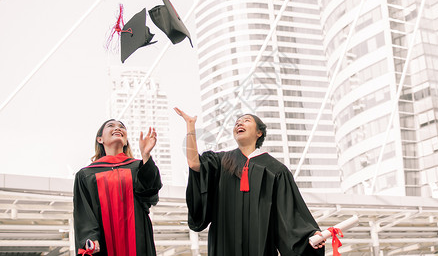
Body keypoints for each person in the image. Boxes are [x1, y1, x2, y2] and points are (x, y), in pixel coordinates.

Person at [175, 107, 326, 256]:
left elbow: (290, 212)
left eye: (246, 121)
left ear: (259, 133)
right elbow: (194, 163)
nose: (239, 124)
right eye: (237, 123)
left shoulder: (275, 170)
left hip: (261, 247)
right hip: (224, 245)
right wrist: (190, 125)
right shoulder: (220, 162)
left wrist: (310, 235)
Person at [73, 119, 162, 256]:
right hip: (104, 242)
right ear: (100, 139)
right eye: (111, 126)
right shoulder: (86, 175)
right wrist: (90, 237)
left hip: (137, 239)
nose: (118, 128)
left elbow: (150, 194)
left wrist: (145, 155)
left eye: (122, 127)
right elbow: (84, 211)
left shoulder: (138, 167)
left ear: (126, 141)